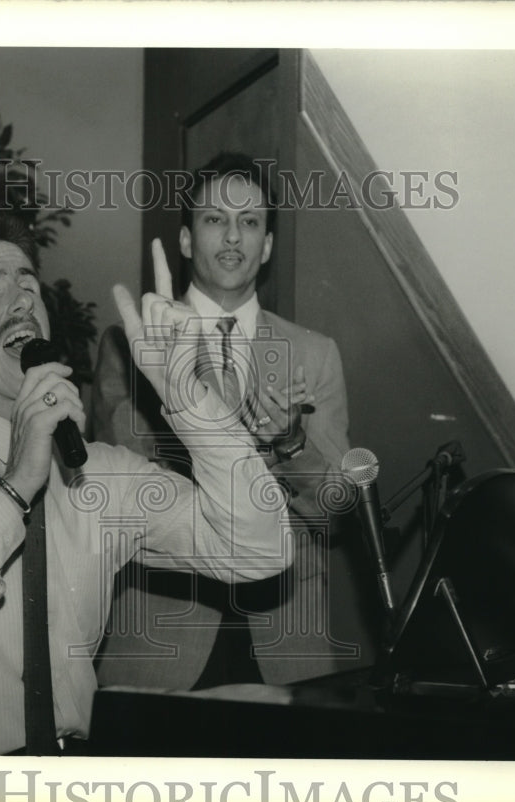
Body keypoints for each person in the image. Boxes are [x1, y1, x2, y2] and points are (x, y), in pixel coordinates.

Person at [0, 214, 291, 755]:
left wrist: (189, 401)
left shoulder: (103, 475)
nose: (22, 299)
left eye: (28, 282)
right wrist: (13, 490)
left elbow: (261, 549)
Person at [91, 152, 352, 690]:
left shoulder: (313, 353)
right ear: (186, 240)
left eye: (250, 222)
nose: (233, 238)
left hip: (286, 637)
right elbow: (108, 501)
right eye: (215, 220)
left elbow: (336, 513)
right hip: (162, 631)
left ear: (268, 245)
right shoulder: (130, 345)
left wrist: (289, 444)